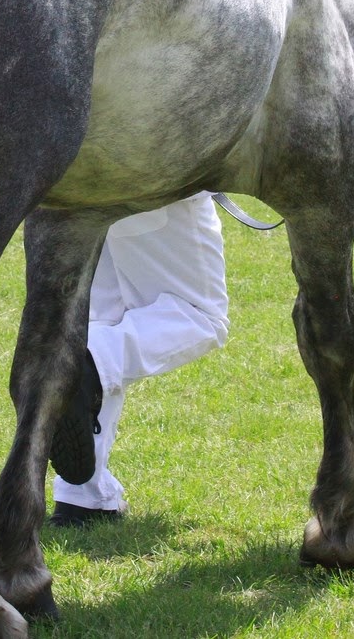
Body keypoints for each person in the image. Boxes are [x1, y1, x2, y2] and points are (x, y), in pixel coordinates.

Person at [47, 191, 229, 526]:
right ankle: (85, 363)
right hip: (157, 178)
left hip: (79, 181)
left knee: (105, 321)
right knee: (202, 318)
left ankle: (82, 495)